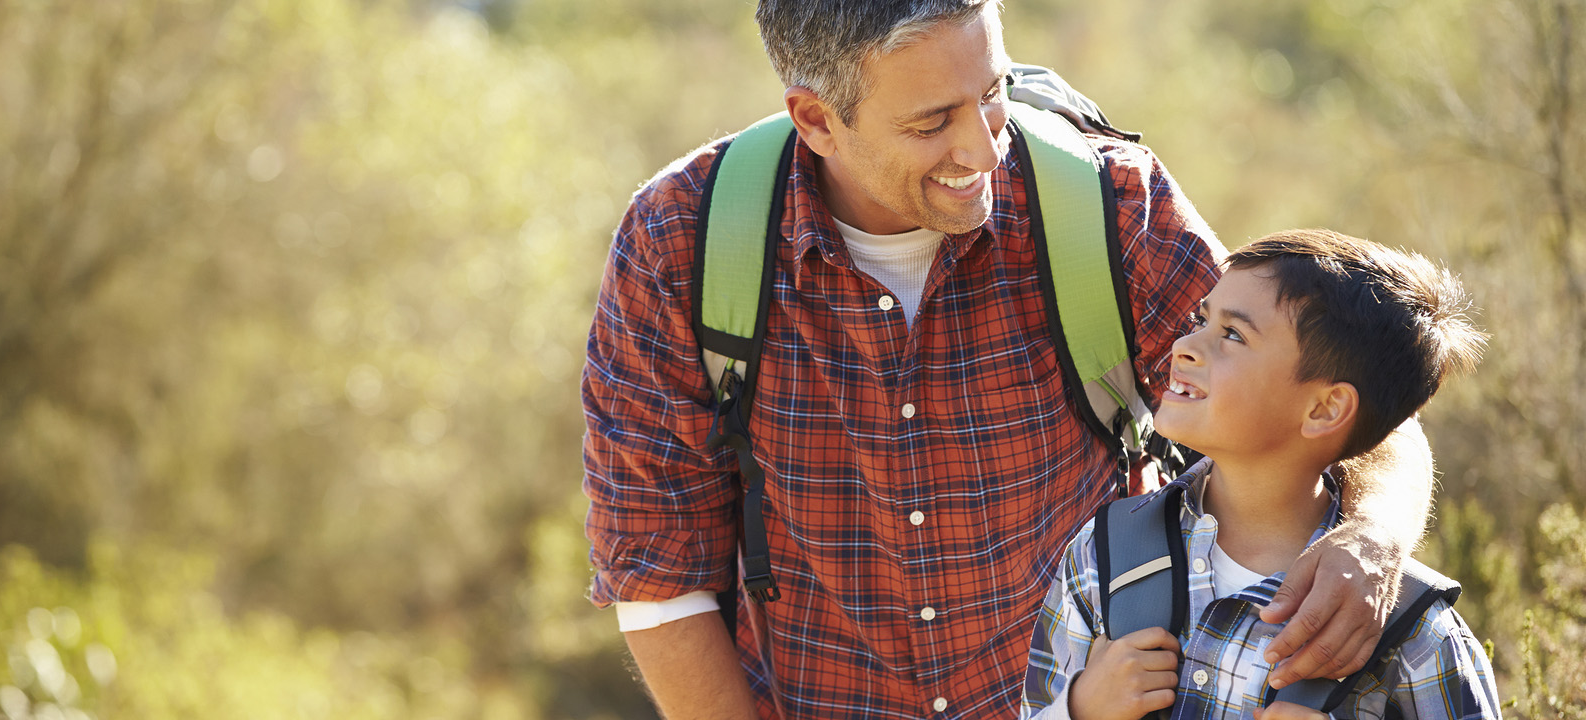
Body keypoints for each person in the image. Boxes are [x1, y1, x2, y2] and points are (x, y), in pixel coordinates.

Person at [582, 2, 1435, 717]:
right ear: (816, 120)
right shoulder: (680, 241)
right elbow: (660, 578)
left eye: (990, 93)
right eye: (931, 123)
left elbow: (1330, 393)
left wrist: (1375, 538)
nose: (987, 151)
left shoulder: (1106, 201)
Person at [1019, 229, 1498, 720]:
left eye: (1232, 335)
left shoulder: (1414, 637)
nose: (1183, 344)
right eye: (1200, 319)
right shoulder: (1104, 556)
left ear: (1326, 408)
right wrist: (1078, 710)